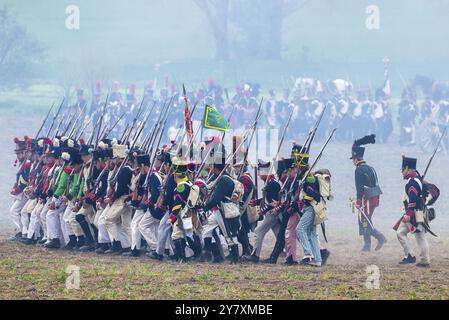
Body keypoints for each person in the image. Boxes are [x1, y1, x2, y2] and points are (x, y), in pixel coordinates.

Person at [350, 135, 386, 252]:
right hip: (374, 198)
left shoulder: (359, 169)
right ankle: (368, 244)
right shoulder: (370, 167)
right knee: (365, 219)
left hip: (367, 199)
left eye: (353, 159)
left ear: (356, 159)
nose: (353, 162)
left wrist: (359, 201)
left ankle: (377, 239)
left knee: (364, 220)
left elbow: (359, 187)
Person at [395, 156, 430, 267]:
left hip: (415, 214)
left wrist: (409, 215)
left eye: (403, 169)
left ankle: (424, 260)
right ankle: (410, 255)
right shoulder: (416, 179)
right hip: (416, 212)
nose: (401, 172)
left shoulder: (413, 182)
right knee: (400, 232)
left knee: (420, 236)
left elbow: (413, 199)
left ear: (407, 169)